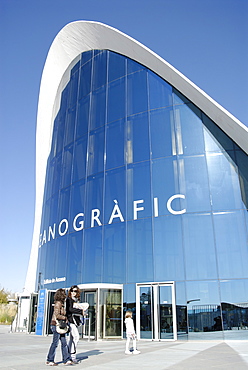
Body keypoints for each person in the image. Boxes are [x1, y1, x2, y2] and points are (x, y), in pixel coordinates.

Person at [46, 288, 73, 366]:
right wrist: (65, 318)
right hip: (56, 325)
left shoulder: (61, 304)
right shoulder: (58, 304)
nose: (65, 295)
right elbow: (57, 315)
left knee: (64, 342)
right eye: (64, 294)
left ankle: (66, 359)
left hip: (60, 326)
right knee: (55, 343)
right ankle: (50, 359)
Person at [66, 285, 85, 364]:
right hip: (70, 321)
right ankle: (72, 355)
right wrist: (80, 311)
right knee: (76, 337)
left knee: (72, 338)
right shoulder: (69, 299)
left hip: (74, 321)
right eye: (73, 291)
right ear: (70, 291)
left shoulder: (75, 300)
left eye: (76, 291)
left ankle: (69, 355)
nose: (74, 293)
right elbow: (69, 309)